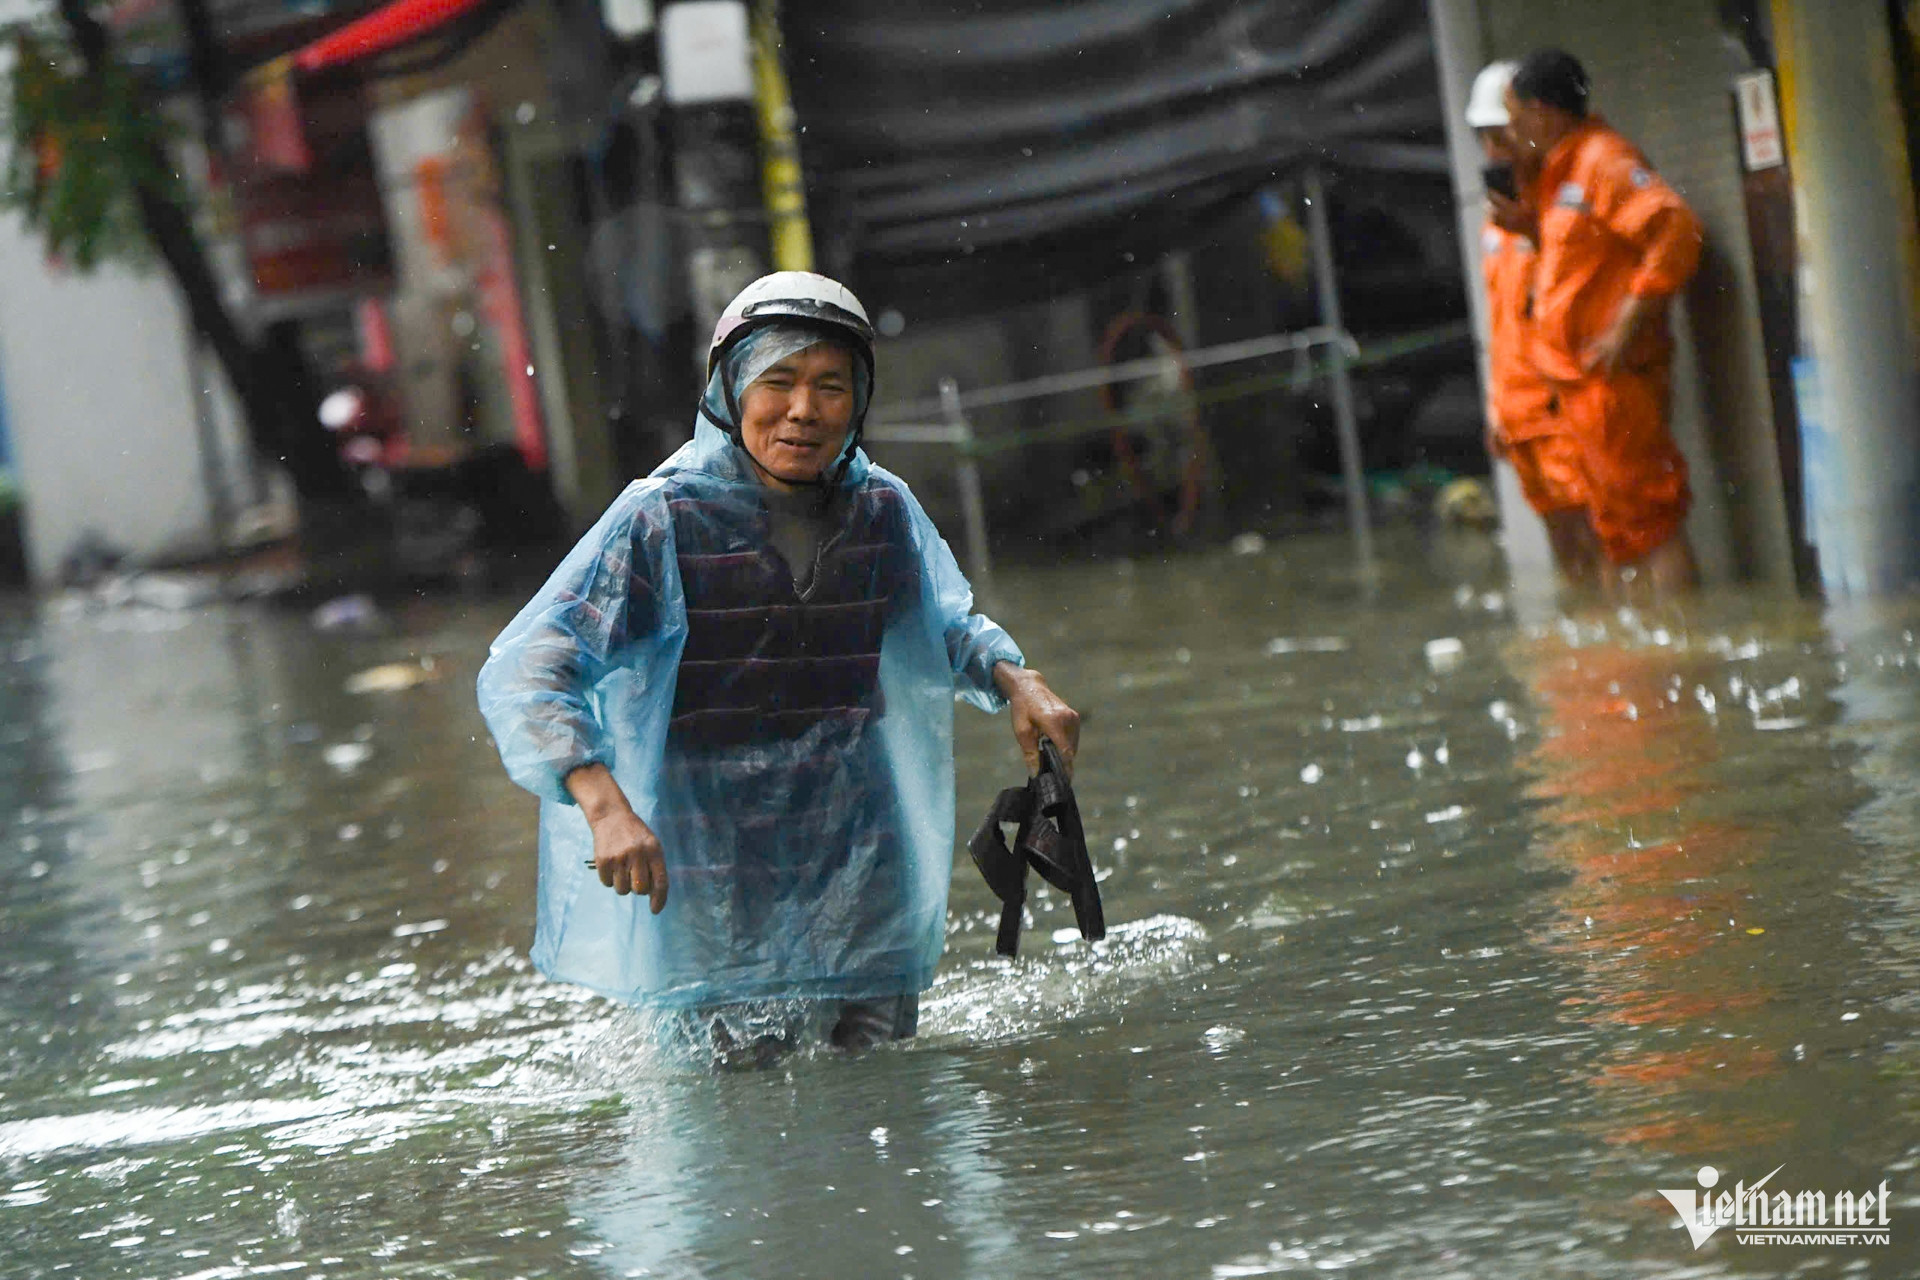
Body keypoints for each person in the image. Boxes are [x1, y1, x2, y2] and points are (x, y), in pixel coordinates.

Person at [476, 271, 1080, 1066]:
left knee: (881, 1083)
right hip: (709, 863)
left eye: (831, 386)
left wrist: (1018, 680)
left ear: (858, 401)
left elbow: (943, 626)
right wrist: (604, 805)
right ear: (730, 390)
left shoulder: (882, 511)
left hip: (861, 848)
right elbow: (534, 669)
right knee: (735, 1099)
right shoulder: (661, 518)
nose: (804, 411)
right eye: (779, 381)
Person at [1505, 48, 1705, 595]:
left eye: (1516, 118)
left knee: (1652, 523)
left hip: (1613, 380)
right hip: (1578, 386)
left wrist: (1626, 326)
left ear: (1542, 110)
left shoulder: (1604, 162)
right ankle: (1639, 659)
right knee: (1615, 529)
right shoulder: (1560, 175)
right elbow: (1585, 266)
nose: (1513, 131)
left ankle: (1684, 649)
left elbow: (1675, 231)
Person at [1466, 59, 1599, 584]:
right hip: (1520, 412)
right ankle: (1588, 653)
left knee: (1601, 539)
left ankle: (1620, 649)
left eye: (1503, 134)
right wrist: (1498, 407)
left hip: (1564, 402)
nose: (1497, 149)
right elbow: (1502, 323)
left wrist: (1535, 230)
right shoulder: (1496, 222)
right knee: (1564, 551)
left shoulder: (1562, 204)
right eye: (1486, 138)